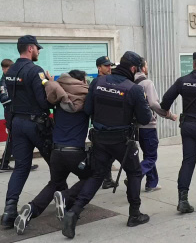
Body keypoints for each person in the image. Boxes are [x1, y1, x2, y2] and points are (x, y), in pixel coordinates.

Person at [60, 51, 152, 239]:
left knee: (96, 175)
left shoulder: (97, 83)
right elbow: (145, 118)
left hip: (99, 139)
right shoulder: (133, 89)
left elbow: (88, 110)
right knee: (134, 173)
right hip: (122, 141)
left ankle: (74, 212)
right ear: (133, 68)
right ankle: (134, 214)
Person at [14, 70, 91, 235]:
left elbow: (54, 89)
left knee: (54, 183)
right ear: (81, 82)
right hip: (75, 152)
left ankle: (31, 209)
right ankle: (66, 197)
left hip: (56, 152)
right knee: (91, 177)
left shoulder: (58, 98)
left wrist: (50, 81)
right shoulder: (84, 100)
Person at [0, 35, 53, 228]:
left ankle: (9, 211)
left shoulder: (10, 70)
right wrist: (50, 84)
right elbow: (43, 102)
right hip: (35, 124)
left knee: (21, 168)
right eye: (37, 48)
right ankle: (65, 198)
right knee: (55, 162)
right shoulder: (35, 70)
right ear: (30, 48)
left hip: (17, 123)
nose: (38, 51)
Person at [160, 51, 196, 214]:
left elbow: (165, 100)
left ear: (193, 64)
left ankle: (182, 200)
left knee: (188, 162)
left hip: (188, 126)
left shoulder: (182, 81)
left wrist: (166, 111)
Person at [134, 59, 177, 192]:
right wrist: (169, 115)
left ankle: (151, 183)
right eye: (146, 64)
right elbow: (153, 103)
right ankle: (135, 175)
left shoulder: (130, 83)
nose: (148, 67)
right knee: (152, 156)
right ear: (141, 67)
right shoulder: (147, 83)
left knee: (148, 155)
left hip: (136, 126)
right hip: (148, 125)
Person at [0, 59, 38, 173]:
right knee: (12, 139)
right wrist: (18, 97)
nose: (11, 71)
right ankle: (4, 164)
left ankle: (20, 163)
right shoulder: (4, 81)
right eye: (9, 69)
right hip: (11, 112)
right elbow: (3, 99)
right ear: (4, 69)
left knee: (18, 139)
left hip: (16, 111)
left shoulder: (11, 79)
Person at [96, 56, 118, 189]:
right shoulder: (98, 82)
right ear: (99, 67)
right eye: (106, 66)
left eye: (110, 65)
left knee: (108, 154)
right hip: (103, 124)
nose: (109, 68)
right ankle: (104, 178)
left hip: (108, 123)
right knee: (111, 153)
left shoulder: (109, 81)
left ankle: (107, 179)